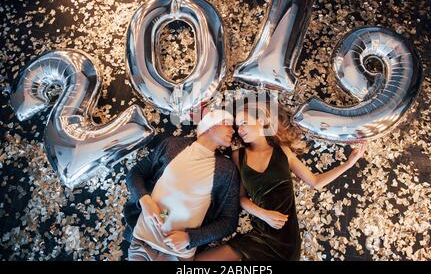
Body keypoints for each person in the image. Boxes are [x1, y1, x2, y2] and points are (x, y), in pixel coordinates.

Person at [195, 101, 367, 261]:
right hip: (259, 235)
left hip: (287, 244)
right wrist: (264, 214)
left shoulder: (283, 151)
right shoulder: (238, 156)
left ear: (261, 120)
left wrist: (349, 163)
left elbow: (315, 182)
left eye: (244, 123)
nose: (240, 129)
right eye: (238, 126)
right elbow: (241, 199)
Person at [123, 109, 240, 261]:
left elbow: (229, 221)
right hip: (141, 243)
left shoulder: (227, 169)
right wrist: (144, 200)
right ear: (210, 125)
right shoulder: (171, 145)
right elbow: (135, 173)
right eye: (226, 123)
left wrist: (190, 238)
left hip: (177, 255)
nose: (232, 130)